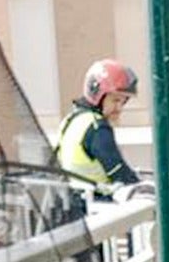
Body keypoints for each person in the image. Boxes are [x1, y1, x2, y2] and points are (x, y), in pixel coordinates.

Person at [55, 58, 145, 192]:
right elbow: (120, 174)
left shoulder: (70, 120)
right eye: (115, 100)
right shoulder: (97, 128)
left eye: (123, 101)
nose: (119, 108)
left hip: (74, 199)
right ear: (96, 94)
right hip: (101, 199)